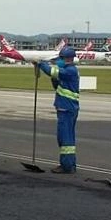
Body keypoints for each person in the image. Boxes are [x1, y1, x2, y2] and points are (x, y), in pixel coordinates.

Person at [35, 44, 80, 174]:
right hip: (66, 108)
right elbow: (57, 83)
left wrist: (41, 64)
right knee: (66, 138)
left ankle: (67, 166)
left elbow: (52, 72)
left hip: (67, 108)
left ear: (67, 58)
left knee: (65, 139)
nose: (58, 61)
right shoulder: (67, 71)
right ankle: (70, 164)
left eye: (60, 58)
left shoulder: (70, 70)